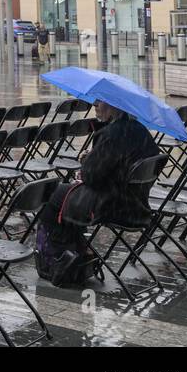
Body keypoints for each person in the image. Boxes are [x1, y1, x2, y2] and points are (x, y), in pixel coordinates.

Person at [35, 99, 161, 286]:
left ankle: (54, 260)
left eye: (100, 101)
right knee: (65, 194)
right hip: (136, 203)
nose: (94, 104)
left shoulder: (112, 133)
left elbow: (92, 176)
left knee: (54, 194)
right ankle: (74, 251)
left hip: (112, 205)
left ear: (115, 106)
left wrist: (87, 160)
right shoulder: (140, 130)